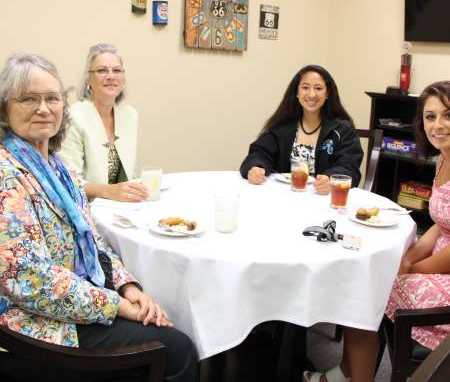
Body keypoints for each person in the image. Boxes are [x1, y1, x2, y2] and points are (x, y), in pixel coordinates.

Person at [0, 53, 198, 382]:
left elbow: (93, 240)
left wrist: (128, 286)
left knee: (171, 324)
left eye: (52, 98)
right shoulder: (6, 174)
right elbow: (30, 280)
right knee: (176, 349)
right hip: (33, 324)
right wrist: (117, 305)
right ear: (5, 108)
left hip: (74, 301)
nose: (44, 108)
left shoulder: (57, 168)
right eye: (29, 99)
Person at [304, 80, 450, 382]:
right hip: (439, 265)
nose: (438, 125)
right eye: (430, 116)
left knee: (368, 288)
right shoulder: (444, 158)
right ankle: (348, 372)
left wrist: (412, 269)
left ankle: (351, 376)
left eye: (447, 115)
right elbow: (441, 223)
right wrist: (407, 260)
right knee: (373, 279)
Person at [240, 65, 363, 194]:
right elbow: (259, 153)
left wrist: (331, 179)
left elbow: (349, 166)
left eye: (318, 88)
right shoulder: (282, 126)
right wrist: (255, 167)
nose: (311, 94)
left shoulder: (343, 129)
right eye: (305, 87)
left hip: (324, 199)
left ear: (327, 94)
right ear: (297, 93)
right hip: (284, 196)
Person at [59, 43, 148, 202]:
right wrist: (110, 191)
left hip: (125, 208)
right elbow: (69, 181)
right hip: (88, 210)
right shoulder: (73, 116)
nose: (111, 76)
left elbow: (130, 175)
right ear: (88, 79)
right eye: (102, 70)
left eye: (116, 70)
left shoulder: (130, 115)